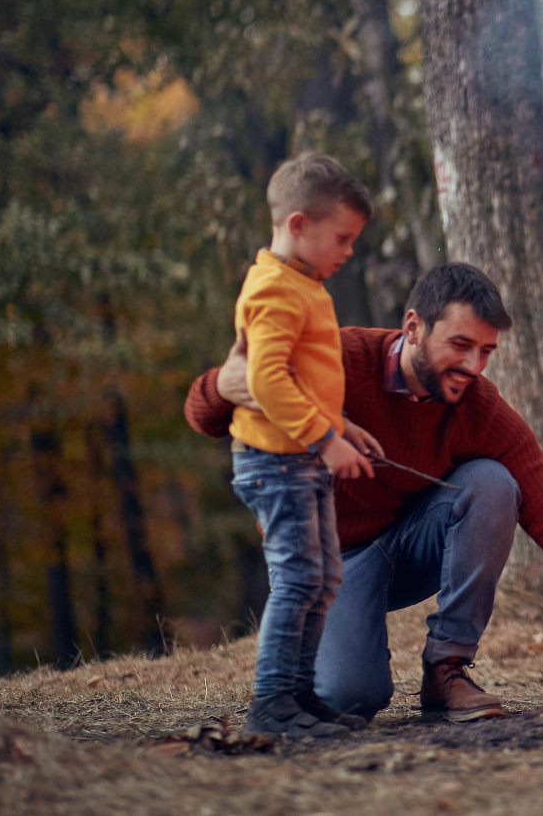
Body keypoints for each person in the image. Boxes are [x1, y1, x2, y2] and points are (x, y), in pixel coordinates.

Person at [187, 263, 543, 722]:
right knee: (350, 697)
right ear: (414, 327)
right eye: (460, 345)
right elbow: (203, 415)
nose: (474, 365)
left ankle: (446, 668)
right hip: (325, 561)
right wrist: (223, 385)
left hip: (408, 549)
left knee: (492, 482)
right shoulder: (337, 359)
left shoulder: (478, 407)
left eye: (486, 351)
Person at [228, 152, 376, 739]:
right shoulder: (274, 289)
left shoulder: (304, 284)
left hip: (301, 458)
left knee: (322, 578)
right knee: (296, 580)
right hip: (275, 462)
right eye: (341, 238)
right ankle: (271, 704)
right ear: (297, 224)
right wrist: (326, 440)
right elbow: (266, 380)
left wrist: (340, 426)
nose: (348, 251)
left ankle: (299, 694)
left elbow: (301, 376)